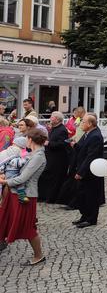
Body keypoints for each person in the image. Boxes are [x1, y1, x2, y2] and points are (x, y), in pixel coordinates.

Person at [0, 128, 48, 265]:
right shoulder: (33, 153)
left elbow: (23, 178)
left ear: (31, 140)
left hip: (25, 195)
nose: (25, 140)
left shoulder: (38, 156)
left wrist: (4, 181)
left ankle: (38, 256)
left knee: (28, 227)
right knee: (5, 218)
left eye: (27, 138)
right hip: (16, 193)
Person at [71, 114, 105, 228]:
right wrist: (74, 145)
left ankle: (91, 219)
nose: (81, 124)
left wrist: (81, 172)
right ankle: (84, 216)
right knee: (82, 195)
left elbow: (91, 156)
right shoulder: (87, 134)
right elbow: (82, 148)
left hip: (91, 172)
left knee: (91, 195)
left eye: (83, 122)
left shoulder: (95, 136)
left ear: (90, 124)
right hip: (83, 169)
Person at [38, 111, 71, 203]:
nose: (50, 118)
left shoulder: (62, 130)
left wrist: (49, 143)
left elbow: (62, 143)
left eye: (52, 117)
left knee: (55, 179)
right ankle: (45, 196)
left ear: (56, 119)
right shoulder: (54, 128)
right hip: (51, 157)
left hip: (58, 159)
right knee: (48, 176)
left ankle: (51, 198)